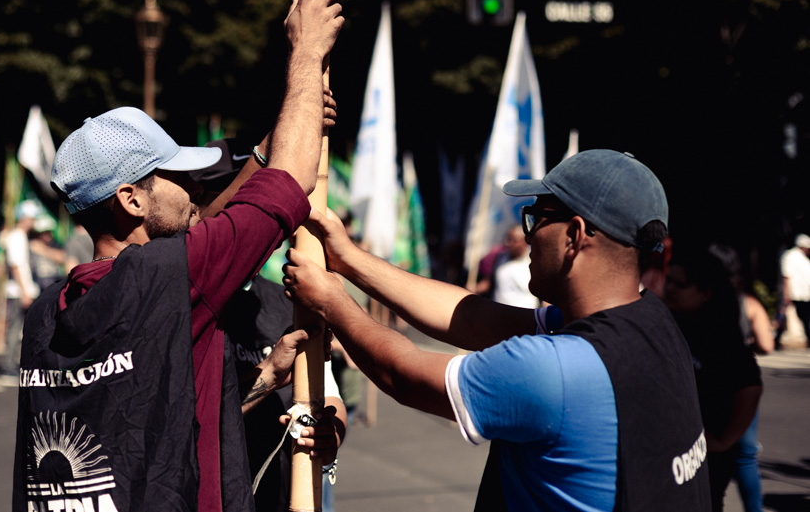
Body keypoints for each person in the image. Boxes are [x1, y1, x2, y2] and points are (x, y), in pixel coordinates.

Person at [12, 0, 342, 512]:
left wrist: (263, 379)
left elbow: (161, 427)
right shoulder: (167, 278)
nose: (190, 189)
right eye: (173, 176)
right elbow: (290, 182)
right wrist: (306, 53)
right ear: (132, 199)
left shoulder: (50, 314)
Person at [283, 149, 711, 511]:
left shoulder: (555, 370)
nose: (527, 237)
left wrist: (331, 302)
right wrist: (349, 259)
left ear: (575, 236)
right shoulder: (650, 323)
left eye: (537, 218)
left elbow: (403, 374)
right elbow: (472, 319)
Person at [190, 138, 348, 512]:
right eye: (241, 203)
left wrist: (331, 432)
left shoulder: (289, 301)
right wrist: (269, 373)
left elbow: (329, 395)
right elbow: (186, 423)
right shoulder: (179, 302)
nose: (260, 219)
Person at [664, 243, 763, 511]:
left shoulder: (722, 339)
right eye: (668, 280)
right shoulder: (666, 322)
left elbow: (751, 387)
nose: (669, 288)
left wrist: (724, 439)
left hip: (704, 461)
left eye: (679, 284)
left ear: (705, 293)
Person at [0, 201, 40, 384]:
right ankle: (8, 368)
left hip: (21, 290)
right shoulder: (16, 237)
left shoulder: (20, 236)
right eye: (31, 218)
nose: (33, 222)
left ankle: (14, 365)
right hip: (18, 291)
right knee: (15, 329)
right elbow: (16, 265)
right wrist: (24, 291)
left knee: (20, 329)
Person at [779, 232, 810, 347]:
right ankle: (777, 339)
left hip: (804, 294)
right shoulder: (790, 256)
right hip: (795, 293)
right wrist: (786, 294)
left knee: (804, 318)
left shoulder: (805, 259)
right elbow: (786, 276)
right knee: (786, 316)